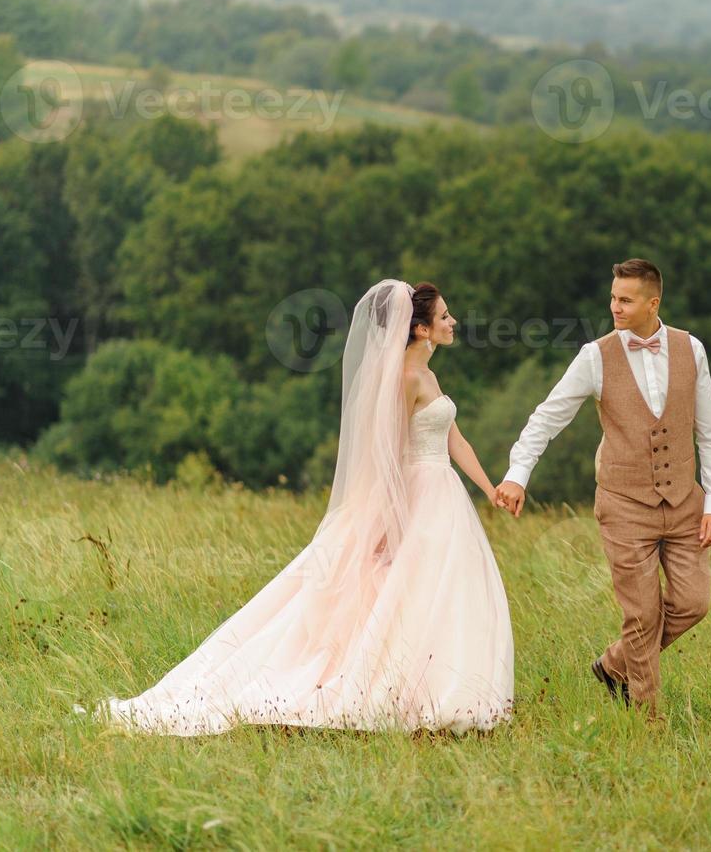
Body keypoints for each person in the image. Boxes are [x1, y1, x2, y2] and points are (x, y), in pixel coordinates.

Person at [75, 280, 513, 736]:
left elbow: (453, 438)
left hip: (442, 492)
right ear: (420, 329)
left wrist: (490, 488)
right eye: (444, 316)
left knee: (439, 590)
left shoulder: (430, 376)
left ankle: (445, 686)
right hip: (414, 492)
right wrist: (390, 519)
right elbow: (388, 453)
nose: (452, 322)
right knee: (398, 590)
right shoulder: (404, 379)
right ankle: (394, 691)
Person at [494, 258, 711, 720]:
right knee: (641, 616)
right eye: (613, 298)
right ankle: (648, 718)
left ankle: (614, 665)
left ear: (652, 303)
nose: (614, 307)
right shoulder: (594, 356)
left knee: (693, 603)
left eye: (625, 299)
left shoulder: (691, 349)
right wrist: (517, 473)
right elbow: (548, 416)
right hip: (623, 505)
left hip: (685, 502)